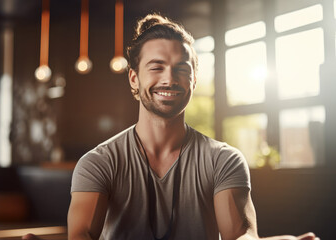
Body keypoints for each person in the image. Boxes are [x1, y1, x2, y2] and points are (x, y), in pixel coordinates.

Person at [23, 13, 318, 240]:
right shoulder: (99, 163)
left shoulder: (223, 160)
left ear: (193, 79)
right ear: (134, 79)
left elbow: (241, 234)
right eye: (156, 67)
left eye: (181, 69)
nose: (169, 78)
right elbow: (82, 235)